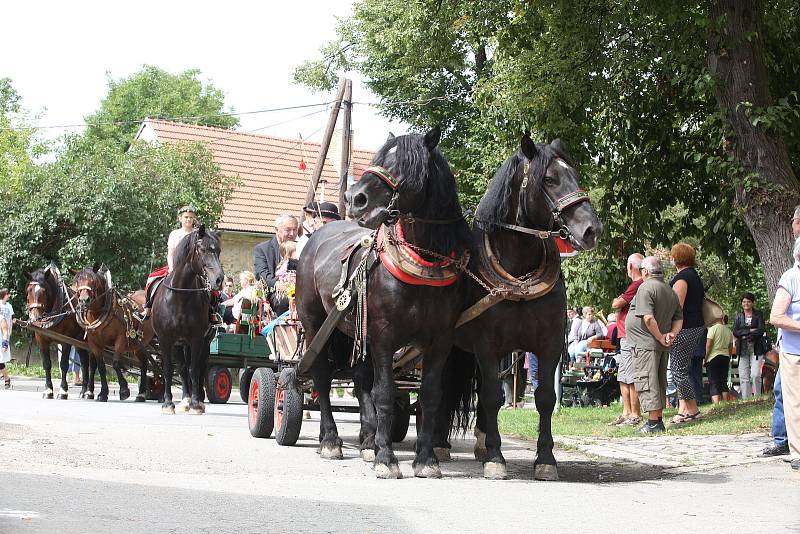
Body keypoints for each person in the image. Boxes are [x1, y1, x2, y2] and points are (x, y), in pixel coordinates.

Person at [625, 256, 683, 433]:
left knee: (647, 381)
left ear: (645, 271)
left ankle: (653, 423)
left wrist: (659, 337)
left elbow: (648, 318)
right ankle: (657, 419)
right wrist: (671, 335)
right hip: (658, 345)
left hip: (646, 344)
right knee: (658, 381)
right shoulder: (669, 289)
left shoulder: (646, 287)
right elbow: (679, 318)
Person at [762, 205, 800, 458]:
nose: (793, 225)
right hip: (791, 348)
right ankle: (784, 440)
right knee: (786, 394)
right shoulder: (791, 275)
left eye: (795, 220)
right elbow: (776, 315)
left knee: (785, 394)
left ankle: (783, 438)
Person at [668, 243, 706, 425]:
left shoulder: (683, 278)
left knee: (678, 370)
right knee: (680, 369)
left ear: (676, 258)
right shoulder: (693, 275)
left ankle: (692, 410)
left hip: (685, 328)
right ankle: (684, 409)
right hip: (694, 326)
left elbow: (676, 307)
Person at [608, 253, 644, 427]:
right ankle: (626, 412)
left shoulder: (637, 284)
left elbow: (616, 304)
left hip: (631, 336)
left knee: (631, 376)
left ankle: (635, 414)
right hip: (624, 336)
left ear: (631, 267)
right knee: (623, 376)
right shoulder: (634, 285)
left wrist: (618, 301)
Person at [733, 292, 767, 398]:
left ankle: (757, 398)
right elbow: (735, 332)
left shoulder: (758, 314)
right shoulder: (738, 316)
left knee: (755, 374)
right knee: (743, 376)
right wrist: (750, 330)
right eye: (744, 301)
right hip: (742, 348)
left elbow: (761, 330)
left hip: (756, 348)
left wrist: (744, 332)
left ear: (752, 303)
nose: (746, 303)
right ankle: (746, 399)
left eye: (748, 301)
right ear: (741, 303)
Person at [254, 214, 298, 290]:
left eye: (295, 229)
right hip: (275, 292)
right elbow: (262, 273)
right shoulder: (263, 249)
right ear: (277, 230)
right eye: (288, 230)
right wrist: (277, 284)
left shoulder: (300, 248)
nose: (292, 234)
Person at [705, 315, 735, 404]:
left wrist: (706, 358)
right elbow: (730, 347)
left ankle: (716, 403)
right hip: (725, 357)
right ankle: (725, 402)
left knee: (713, 381)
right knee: (723, 380)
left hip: (713, 357)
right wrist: (728, 357)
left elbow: (709, 345)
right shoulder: (729, 331)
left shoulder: (712, 329)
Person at [0, 288, 13, 389]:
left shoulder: (1, 318)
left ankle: (6, 378)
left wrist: (5, 343)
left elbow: (5, 329)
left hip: (2, 338)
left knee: (0, 362)